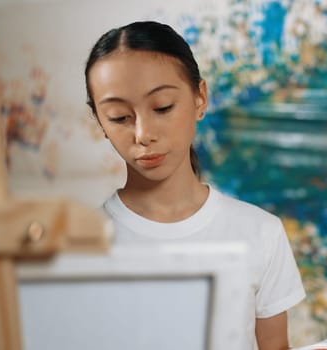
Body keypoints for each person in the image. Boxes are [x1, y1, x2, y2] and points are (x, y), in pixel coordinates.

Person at [84, 21, 308, 350]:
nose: (143, 134)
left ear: (199, 98)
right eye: (119, 116)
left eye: (162, 107)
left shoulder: (261, 233)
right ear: (100, 122)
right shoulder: (81, 249)